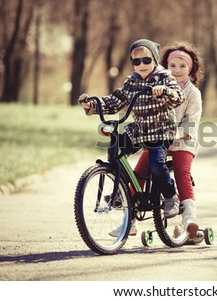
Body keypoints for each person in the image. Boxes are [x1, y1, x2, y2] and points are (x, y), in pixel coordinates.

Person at [78, 38, 185, 237]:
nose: (142, 65)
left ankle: (171, 197)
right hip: (139, 129)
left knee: (155, 164)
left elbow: (178, 97)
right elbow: (116, 100)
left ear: (154, 59)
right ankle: (122, 189)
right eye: (136, 62)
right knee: (115, 149)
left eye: (146, 60)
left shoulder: (164, 78)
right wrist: (93, 104)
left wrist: (164, 92)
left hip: (161, 130)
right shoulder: (132, 81)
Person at [134, 41, 204, 244]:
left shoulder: (193, 93)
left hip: (183, 141)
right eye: (172, 66)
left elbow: (191, 123)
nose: (177, 70)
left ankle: (189, 219)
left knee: (182, 173)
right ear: (164, 67)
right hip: (158, 139)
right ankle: (129, 218)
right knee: (139, 172)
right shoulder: (156, 87)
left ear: (190, 69)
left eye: (183, 66)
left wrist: (173, 135)